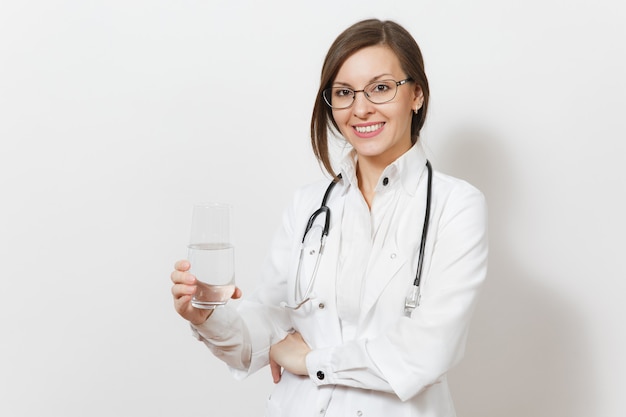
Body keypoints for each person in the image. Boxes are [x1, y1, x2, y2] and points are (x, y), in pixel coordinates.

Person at [171, 18, 488, 417]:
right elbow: (264, 330)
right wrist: (208, 317)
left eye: (381, 87)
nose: (360, 108)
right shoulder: (307, 207)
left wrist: (310, 361)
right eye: (343, 92)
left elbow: (427, 352)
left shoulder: (456, 205)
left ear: (417, 95)